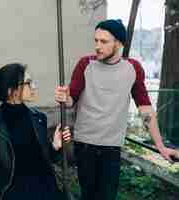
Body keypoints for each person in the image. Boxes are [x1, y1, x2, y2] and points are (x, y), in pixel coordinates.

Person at [55, 19, 178, 200]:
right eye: (96, 40)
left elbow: (146, 110)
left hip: (111, 148)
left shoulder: (132, 68)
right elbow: (71, 98)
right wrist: (64, 97)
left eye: (104, 42)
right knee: (89, 196)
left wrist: (160, 146)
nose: (97, 46)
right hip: (85, 145)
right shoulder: (85, 64)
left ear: (119, 43)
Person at [0, 63, 71, 200]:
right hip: (14, 192)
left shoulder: (38, 118)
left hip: (46, 190)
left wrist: (55, 146)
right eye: (28, 83)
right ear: (11, 91)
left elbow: (45, 159)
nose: (34, 87)